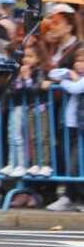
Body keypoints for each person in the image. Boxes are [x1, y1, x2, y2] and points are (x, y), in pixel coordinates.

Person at [1, 41, 51, 179]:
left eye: (30, 56)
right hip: (28, 108)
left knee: (42, 137)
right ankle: (26, 163)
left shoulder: (39, 70)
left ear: (38, 58)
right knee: (30, 137)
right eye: (25, 56)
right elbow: (11, 91)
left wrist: (27, 78)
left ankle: (43, 164)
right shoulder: (19, 71)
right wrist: (19, 80)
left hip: (40, 108)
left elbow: (34, 89)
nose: (26, 59)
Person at [46, 47, 84, 212]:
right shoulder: (76, 76)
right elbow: (53, 74)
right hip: (70, 126)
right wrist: (69, 75)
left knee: (76, 166)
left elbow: (75, 88)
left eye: (83, 61)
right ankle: (70, 197)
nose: (79, 65)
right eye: (77, 60)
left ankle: (78, 198)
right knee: (69, 163)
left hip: (80, 127)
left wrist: (65, 80)